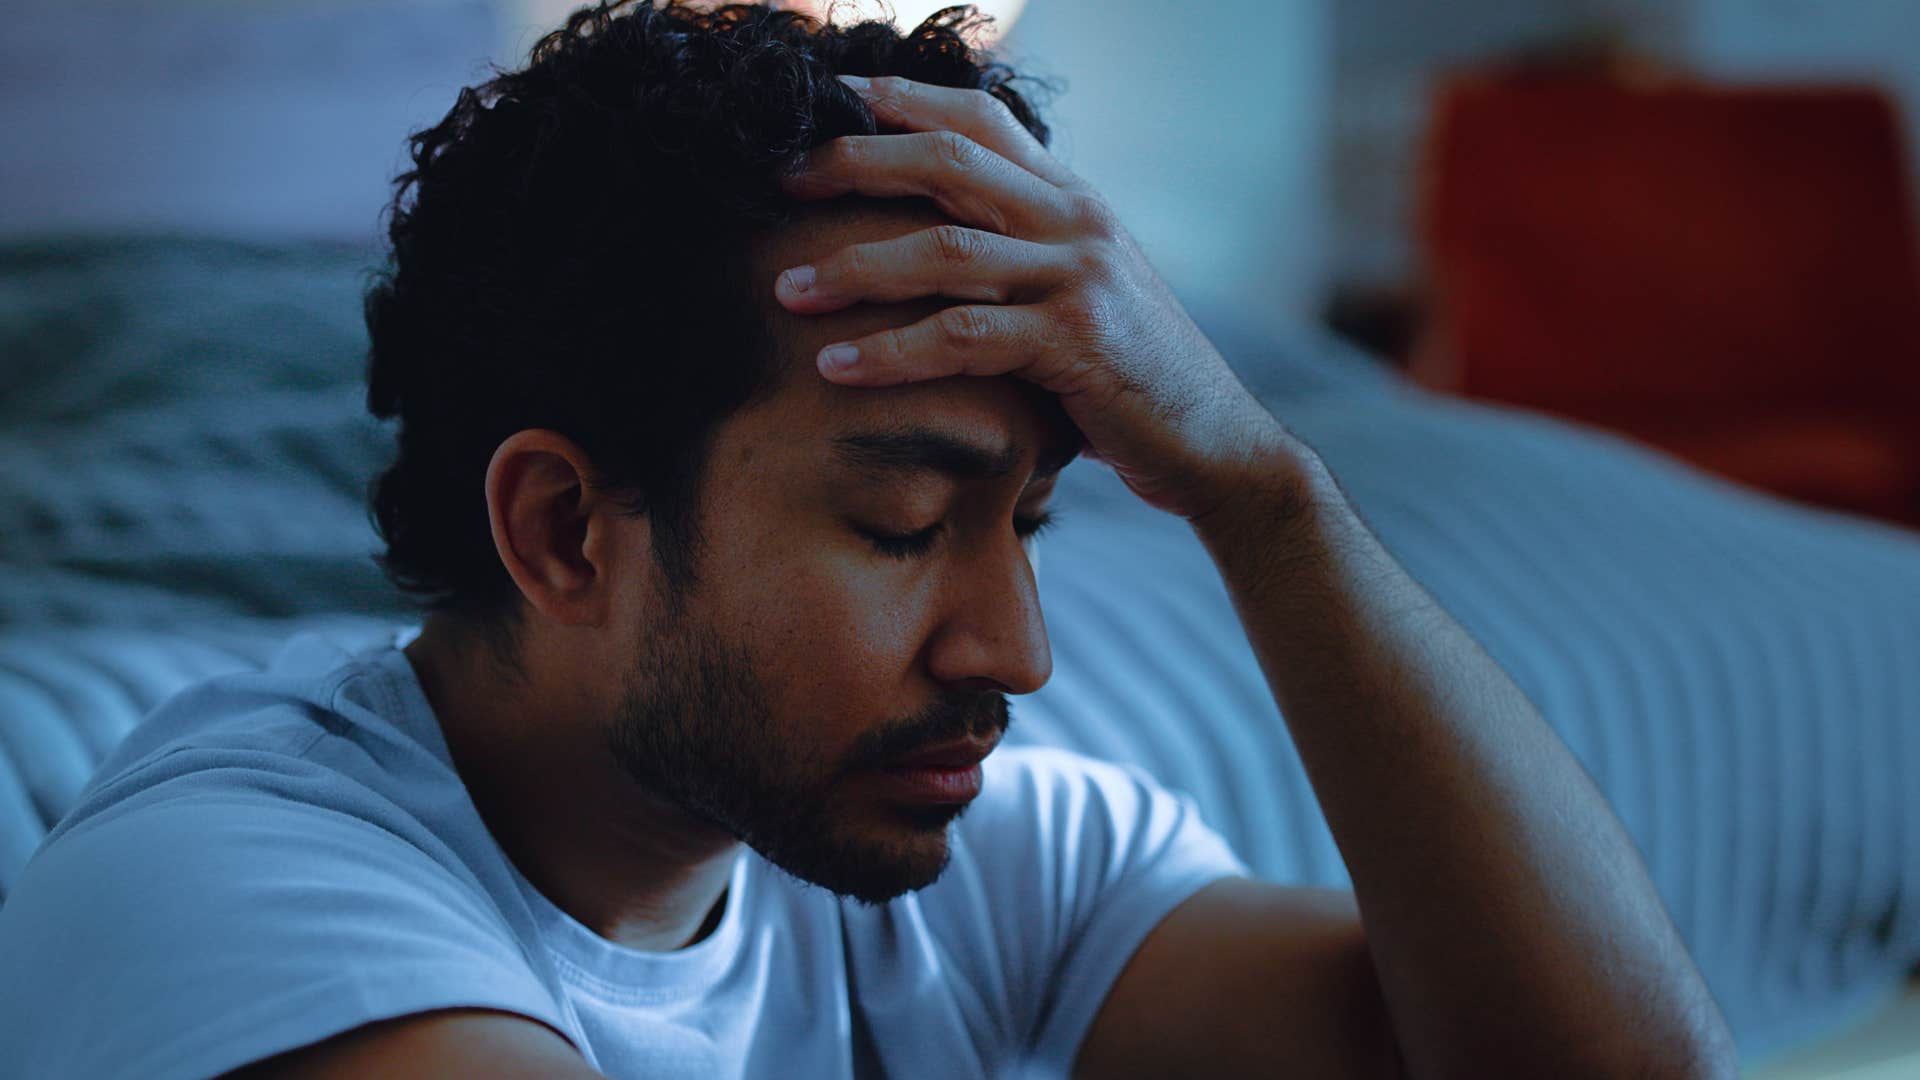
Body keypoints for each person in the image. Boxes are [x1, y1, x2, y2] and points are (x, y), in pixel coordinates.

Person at [0, 2, 1738, 1077]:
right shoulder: (240, 898)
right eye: (903, 522)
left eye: (1033, 522)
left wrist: (1261, 494)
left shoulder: (960, 860)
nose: (1017, 652)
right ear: (559, 531)